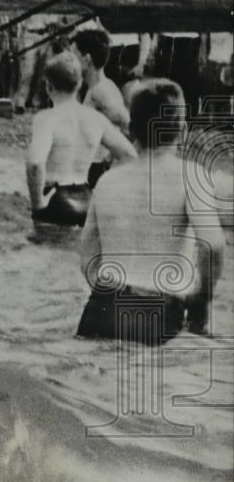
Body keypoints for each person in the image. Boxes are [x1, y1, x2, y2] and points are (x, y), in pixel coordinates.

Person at [77, 79, 225, 342]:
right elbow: (212, 245)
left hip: (102, 307)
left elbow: (87, 249)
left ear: (132, 130)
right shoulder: (191, 177)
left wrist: (107, 296)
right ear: (183, 130)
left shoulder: (108, 181)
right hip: (160, 309)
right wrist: (200, 303)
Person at [27, 52, 136, 228]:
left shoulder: (46, 118)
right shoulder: (95, 118)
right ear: (79, 84)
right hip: (87, 198)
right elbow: (130, 155)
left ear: (48, 85)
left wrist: (37, 203)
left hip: (55, 199)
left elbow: (35, 162)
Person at [73, 29, 130, 188]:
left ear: (86, 59)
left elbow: (127, 123)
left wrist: (109, 160)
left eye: (73, 55)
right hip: (89, 164)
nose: (69, 60)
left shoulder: (102, 91)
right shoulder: (92, 88)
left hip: (96, 168)